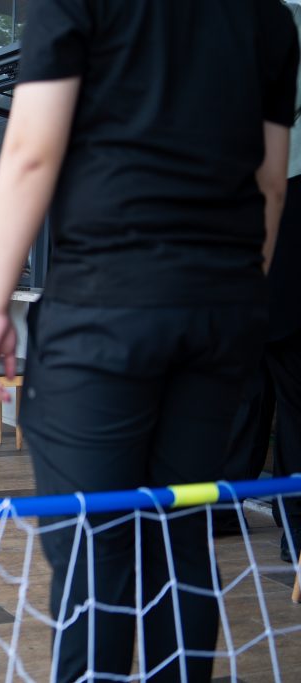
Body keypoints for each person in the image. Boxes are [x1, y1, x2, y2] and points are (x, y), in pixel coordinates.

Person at [0, 2, 298, 681]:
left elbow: (33, 153)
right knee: (180, 538)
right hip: (221, 314)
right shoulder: (268, 18)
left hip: (105, 308)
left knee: (99, 547)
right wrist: (229, 291)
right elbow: (271, 185)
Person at [221, 2, 301, 562]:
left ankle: (229, 507)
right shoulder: (276, 29)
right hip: (272, 279)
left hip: (256, 280)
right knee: (282, 411)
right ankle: (293, 533)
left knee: (250, 404)